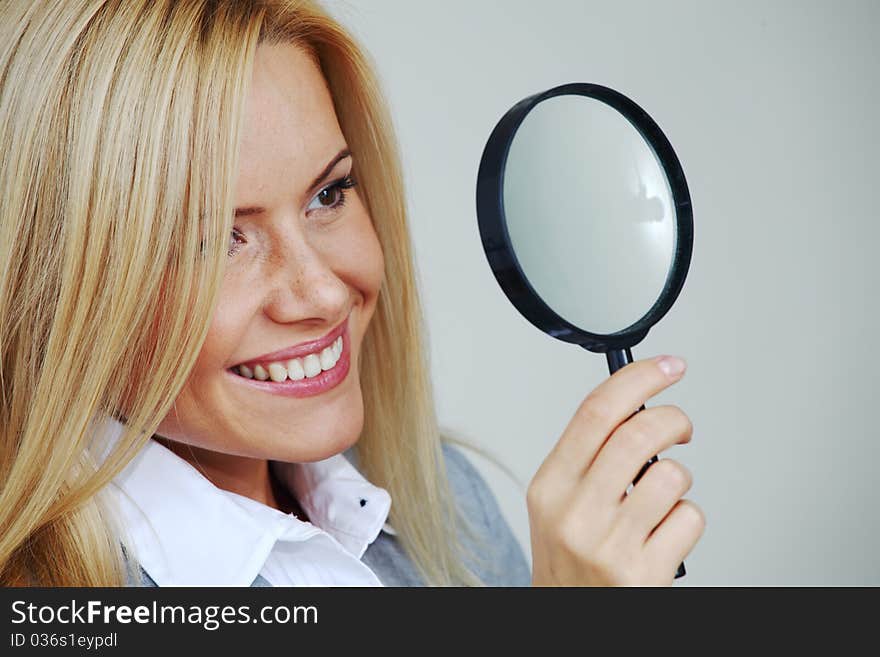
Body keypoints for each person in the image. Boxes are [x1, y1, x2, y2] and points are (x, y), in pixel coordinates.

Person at [0, 0, 704, 587]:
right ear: (62, 284)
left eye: (329, 194)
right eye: (214, 240)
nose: (321, 292)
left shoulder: (444, 502)